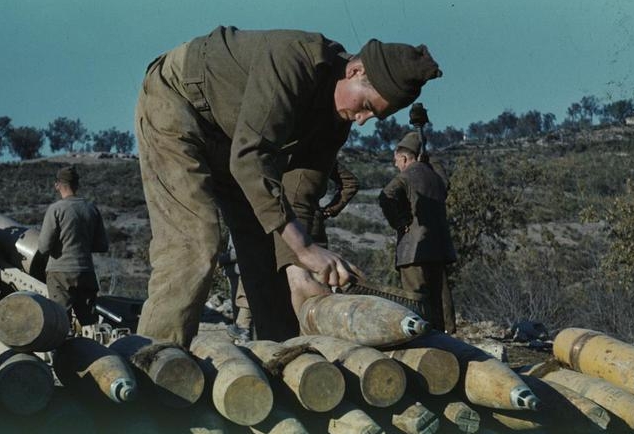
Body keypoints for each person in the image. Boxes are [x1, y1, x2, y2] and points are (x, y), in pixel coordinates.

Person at [135, 25, 442, 346]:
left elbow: (299, 196)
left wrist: (300, 270)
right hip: (177, 101)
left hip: (232, 135)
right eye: (365, 105)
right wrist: (304, 249)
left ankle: (284, 360)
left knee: (267, 251)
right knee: (195, 242)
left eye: (373, 116)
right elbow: (250, 159)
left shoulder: (334, 122)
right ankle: (156, 364)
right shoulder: (292, 60)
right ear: (355, 70)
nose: (362, 119)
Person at [378, 132, 457, 332]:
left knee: (415, 299)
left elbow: (385, 196)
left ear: (404, 158)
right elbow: (445, 182)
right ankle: (445, 337)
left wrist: (399, 222)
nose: (396, 165)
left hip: (413, 250)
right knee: (440, 298)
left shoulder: (405, 176)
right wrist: (427, 158)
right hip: (439, 248)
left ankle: (422, 342)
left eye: (397, 160)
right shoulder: (436, 176)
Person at [37, 165, 109, 328]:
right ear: (77, 185)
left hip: (60, 273)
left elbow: (44, 247)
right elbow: (102, 245)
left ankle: (63, 353)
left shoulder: (56, 209)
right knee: (89, 324)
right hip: (86, 272)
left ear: (57, 185)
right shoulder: (91, 209)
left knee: (61, 322)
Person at [310, 161, 359, 248]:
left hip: (287, 220)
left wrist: (331, 209)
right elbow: (351, 183)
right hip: (311, 220)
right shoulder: (319, 153)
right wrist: (330, 210)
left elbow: (351, 184)